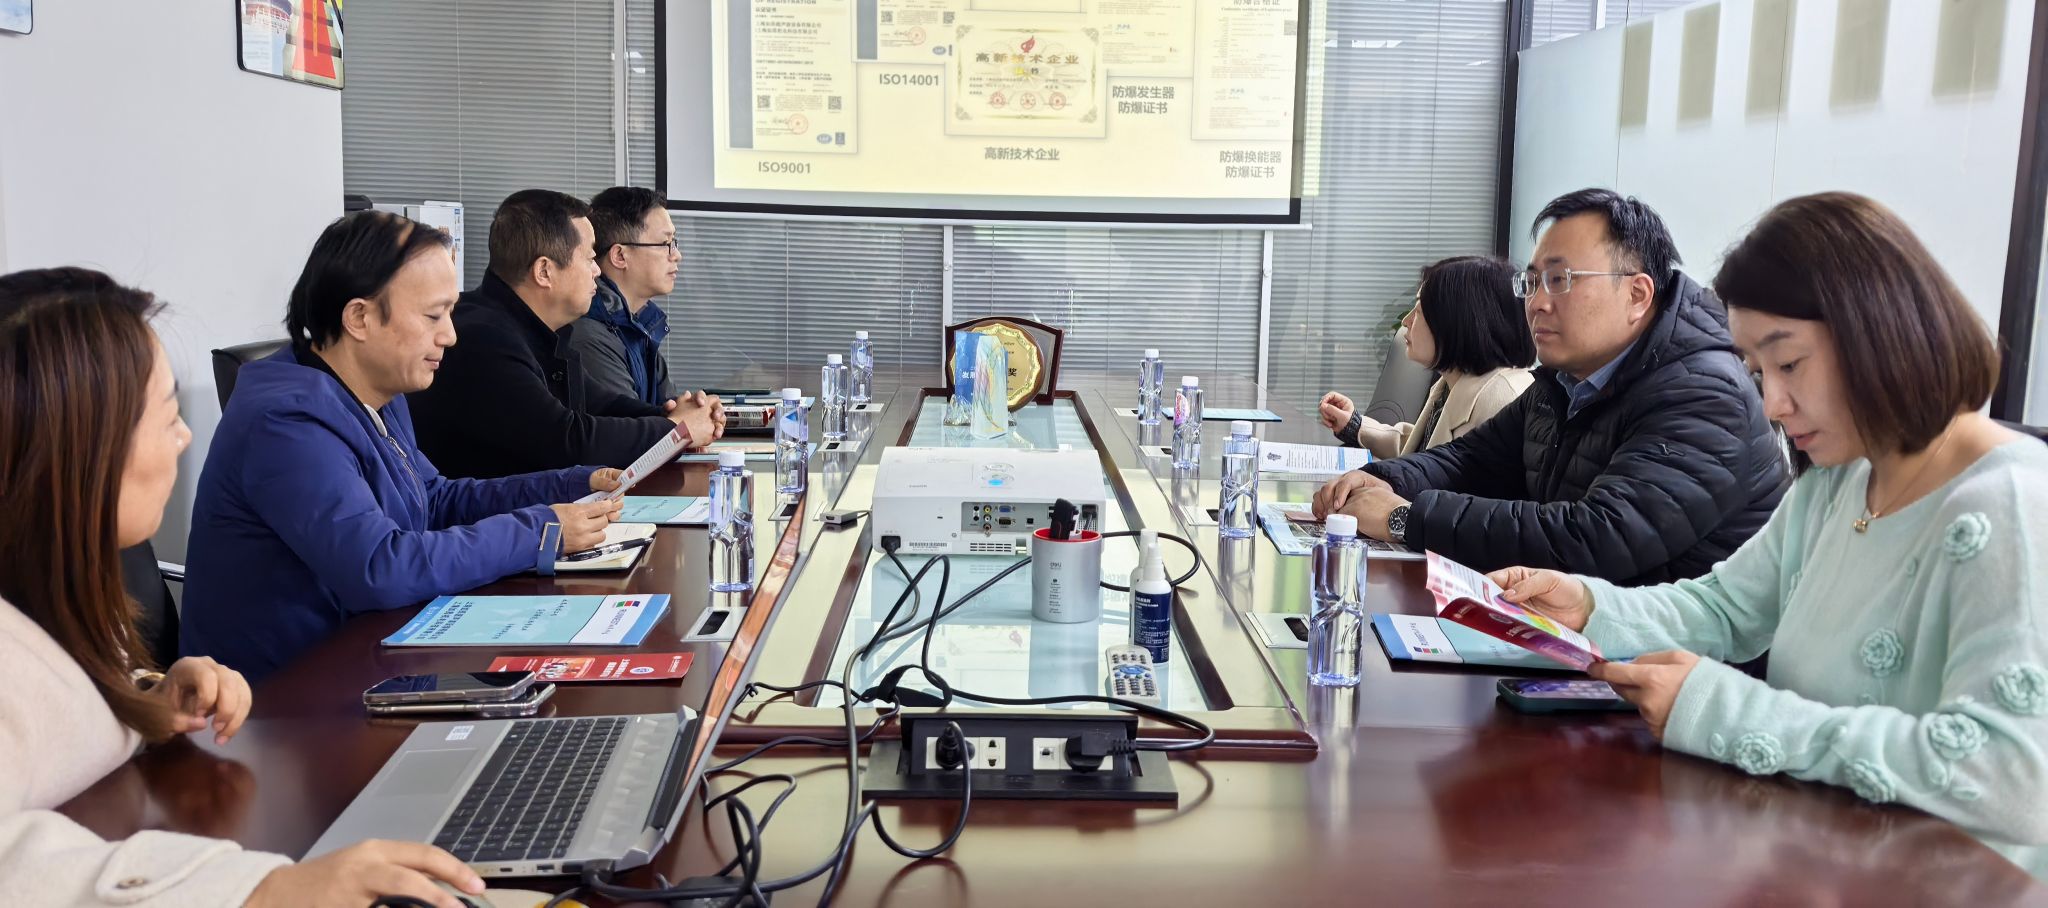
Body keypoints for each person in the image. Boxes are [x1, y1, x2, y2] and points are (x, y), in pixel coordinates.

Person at [1490, 192, 2048, 877]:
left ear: (1881, 331)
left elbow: (2011, 777)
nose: (1773, 405)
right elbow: (1726, 606)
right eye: (1757, 373)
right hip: (1818, 862)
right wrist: (1588, 604)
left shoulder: (2010, 505)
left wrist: (1731, 711)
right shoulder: (1840, 482)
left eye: (1789, 365)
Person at [0, 267, 487, 907]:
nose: (185, 436)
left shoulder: (47, 589)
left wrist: (145, 700)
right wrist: (262, 892)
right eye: (166, 415)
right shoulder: (289, 417)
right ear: (74, 447)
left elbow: (47, 731)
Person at [180, 212, 625, 682]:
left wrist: (570, 485)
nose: (450, 335)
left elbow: (434, 500)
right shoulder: (285, 424)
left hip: (381, 665)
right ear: (359, 317)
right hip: (294, 701)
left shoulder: (375, 392)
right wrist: (540, 531)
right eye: (433, 315)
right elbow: (380, 566)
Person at [1312, 189, 1788, 584]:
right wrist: (1384, 480)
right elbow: (1472, 460)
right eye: (1532, 282)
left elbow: (1594, 539)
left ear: (1637, 294)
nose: (1537, 303)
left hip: (1679, 661)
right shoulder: (1566, 380)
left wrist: (1404, 518)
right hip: (1577, 636)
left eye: (1560, 280)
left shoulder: (1705, 394)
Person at [408, 189, 724, 479]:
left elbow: (599, 404)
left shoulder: (540, 330)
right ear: (545, 271)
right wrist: (676, 429)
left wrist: (676, 414)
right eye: (589, 259)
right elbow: (568, 442)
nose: (597, 271)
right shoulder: (483, 337)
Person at [1316, 255, 1535, 457]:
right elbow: (1424, 451)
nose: (1406, 321)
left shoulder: (1501, 400)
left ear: (1455, 321)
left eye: (1420, 311)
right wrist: (1354, 425)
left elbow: (1444, 471)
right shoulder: (1457, 381)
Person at [568, 186, 678, 412]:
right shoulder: (589, 336)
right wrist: (689, 423)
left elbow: (671, 410)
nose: (676, 255)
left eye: (674, 243)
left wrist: (702, 412)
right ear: (619, 256)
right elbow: (635, 427)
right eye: (665, 244)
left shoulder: (641, 325)